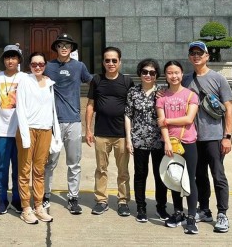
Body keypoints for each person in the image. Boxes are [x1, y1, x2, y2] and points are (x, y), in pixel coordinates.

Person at [182, 40, 232, 233]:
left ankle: (222, 213)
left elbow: (228, 108)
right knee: (199, 175)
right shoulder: (186, 79)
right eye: (192, 53)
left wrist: (227, 136)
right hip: (193, 137)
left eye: (199, 53)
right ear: (189, 57)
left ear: (207, 56)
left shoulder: (218, 79)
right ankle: (204, 210)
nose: (196, 56)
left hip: (214, 136)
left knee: (218, 175)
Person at [44, 33, 93, 214]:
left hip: (73, 121)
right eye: (60, 45)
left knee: (74, 163)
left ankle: (73, 198)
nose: (64, 47)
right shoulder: (48, 66)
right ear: (56, 48)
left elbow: (94, 82)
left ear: (72, 48)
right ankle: (45, 195)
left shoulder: (79, 66)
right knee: (50, 163)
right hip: (53, 122)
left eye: (68, 45)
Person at [85, 46, 134, 217]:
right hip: (101, 134)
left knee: (123, 171)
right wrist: (88, 130)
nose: (111, 63)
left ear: (120, 62)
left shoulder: (127, 82)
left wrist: (130, 135)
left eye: (114, 60)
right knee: (101, 169)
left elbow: (132, 108)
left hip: (121, 135)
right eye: (107, 60)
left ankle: (123, 201)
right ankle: (101, 200)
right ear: (103, 62)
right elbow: (90, 105)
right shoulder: (97, 80)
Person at [15, 52, 60, 224]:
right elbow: (20, 108)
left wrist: (55, 133)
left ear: (45, 65)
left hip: (45, 129)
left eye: (41, 64)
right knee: (25, 170)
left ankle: (39, 206)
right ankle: (26, 208)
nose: (38, 67)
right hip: (28, 129)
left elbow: (52, 109)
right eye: (34, 64)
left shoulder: (49, 83)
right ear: (29, 66)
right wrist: (25, 134)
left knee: (39, 170)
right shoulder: (25, 80)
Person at [157, 60, 200, 234]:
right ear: (165, 76)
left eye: (176, 72)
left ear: (182, 74)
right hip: (169, 144)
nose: (173, 76)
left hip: (188, 142)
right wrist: (167, 142)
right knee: (174, 178)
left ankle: (191, 216)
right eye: (169, 73)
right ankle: (178, 212)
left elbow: (189, 119)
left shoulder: (191, 96)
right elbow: (161, 124)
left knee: (189, 179)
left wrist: (168, 120)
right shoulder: (162, 98)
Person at [125, 58, 169, 223]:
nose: (148, 75)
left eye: (152, 72)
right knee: (140, 175)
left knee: (160, 176)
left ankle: (161, 208)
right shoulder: (133, 92)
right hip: (139, 140)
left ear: (157, 75)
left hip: (159, 141)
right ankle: (141, 208)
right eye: (145, 72)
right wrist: (129, 139)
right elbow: (128, 115)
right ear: (140, 73)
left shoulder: (162, 92)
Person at [0, 45, 27, 214]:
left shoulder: (26, 78)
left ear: (19, 60)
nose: (10, 60)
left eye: (14, 57)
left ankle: (17, 199)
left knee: (19, 168)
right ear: (3, 60)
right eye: (7, 57)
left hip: (20, 132)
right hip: (0, 131)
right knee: (2, 167)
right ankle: (2, 199)